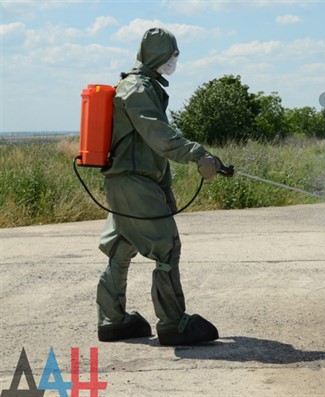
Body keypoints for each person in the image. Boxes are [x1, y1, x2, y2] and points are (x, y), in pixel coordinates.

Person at [96, 27, 226, 345]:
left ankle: (113, 320)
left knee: (121, 247)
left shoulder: (143, 86)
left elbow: (148, 147)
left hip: (129, 182)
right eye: (172, 56)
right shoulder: (137, 89)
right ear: (159, 55)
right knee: (166, 247)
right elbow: (159, 137)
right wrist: (199, 155)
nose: (173, 62)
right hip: (132, 183)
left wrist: (165, 189)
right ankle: (172, 323)